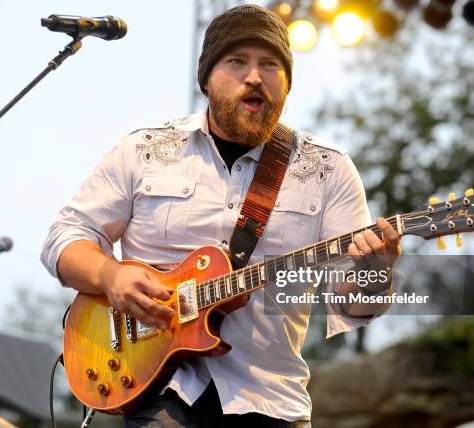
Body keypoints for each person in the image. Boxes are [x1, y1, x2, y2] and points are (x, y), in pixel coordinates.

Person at [41, 4, 403, 427]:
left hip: (271, 400)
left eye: (270, 65)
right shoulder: (143, 150)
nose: (254, 77)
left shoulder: (329, 169)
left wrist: (377, 269)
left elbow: (351, 307)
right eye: (236, 62)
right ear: (207, 79)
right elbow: (63, 239)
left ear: (286, 84)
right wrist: (111, 277)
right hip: (159, 387)